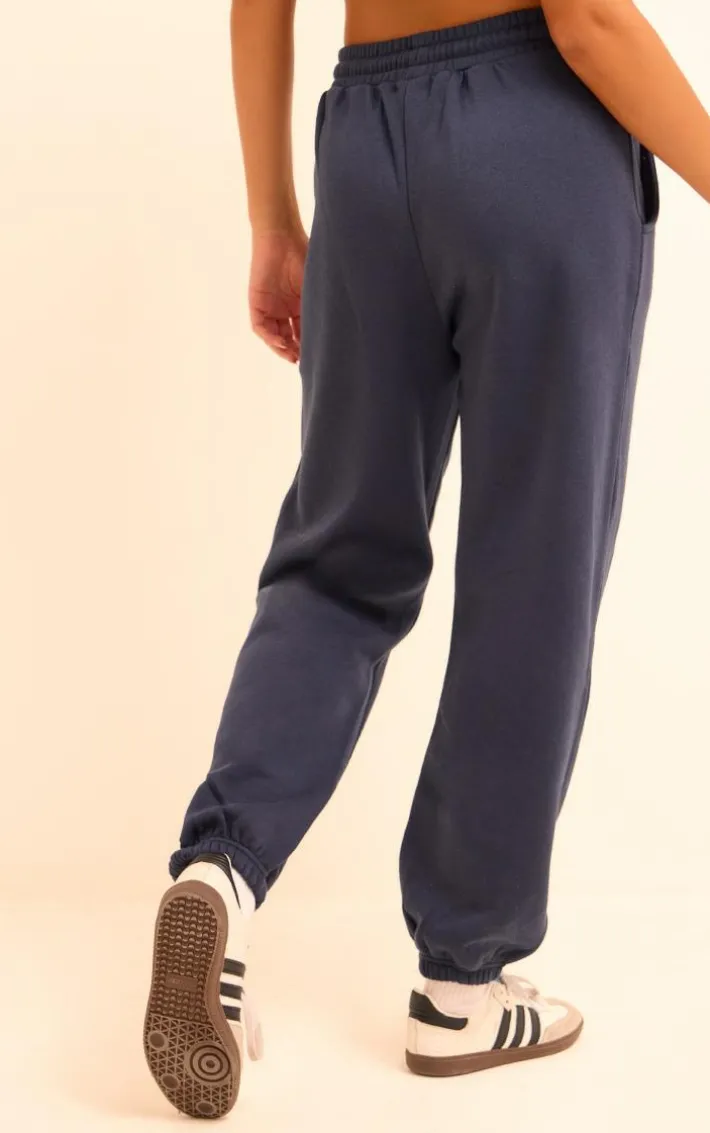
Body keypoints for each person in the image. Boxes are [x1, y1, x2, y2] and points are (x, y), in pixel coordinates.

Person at [143, 0, 710, 1120]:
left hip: (364, 140)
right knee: (532, 574)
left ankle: (223, 867)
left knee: (338, 558)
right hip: (535, 138)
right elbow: (588, 22)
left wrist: (273, 216)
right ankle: (461, 979)